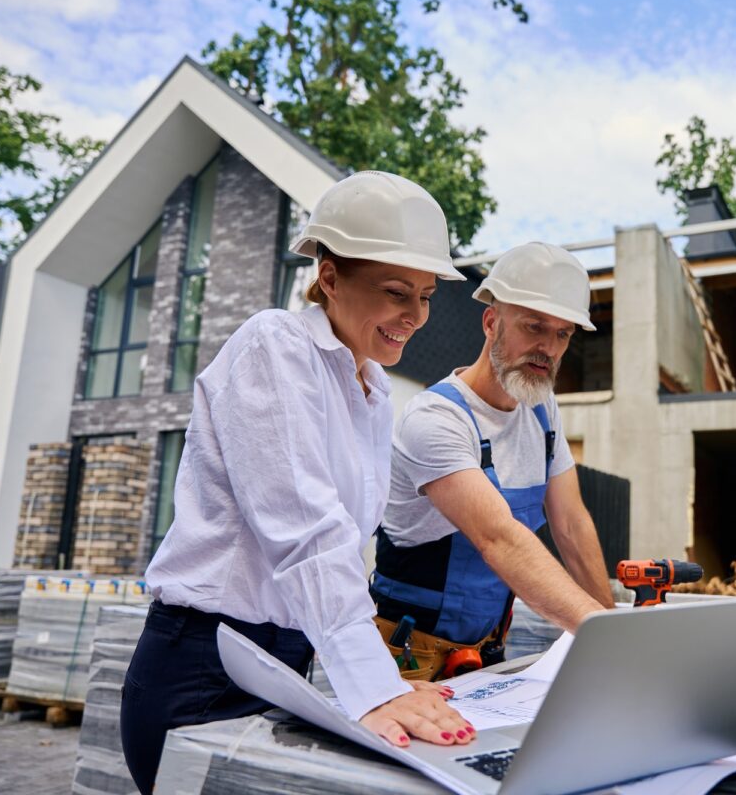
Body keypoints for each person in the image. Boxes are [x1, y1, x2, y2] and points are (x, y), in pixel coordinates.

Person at [120, 171, 475, 795]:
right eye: (396, 291)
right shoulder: (274, 346)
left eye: (425, 295)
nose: (414, 315)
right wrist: (371, 683)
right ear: (330, 278)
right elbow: (305, 529)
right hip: (203, 671)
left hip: (288, 665)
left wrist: (378, 677)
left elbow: (344, 549)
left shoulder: (371, 389)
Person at [370, 242, 614, 680]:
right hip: (407, 663)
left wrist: (614, 629)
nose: (548, 348)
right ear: (490, 323)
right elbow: (499, 539)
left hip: (487, 658)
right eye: (534, 327)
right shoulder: (436, 418)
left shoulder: (542, 412)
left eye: (562, 334)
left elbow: (572, 523)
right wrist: (605, 634)